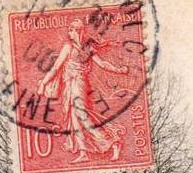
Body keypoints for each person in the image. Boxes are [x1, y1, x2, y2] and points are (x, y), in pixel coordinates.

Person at [35, 19, 130, 163]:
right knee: (74, 119)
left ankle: (112, 142)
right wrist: (44, 82)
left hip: (79, 83)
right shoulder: (68, 47)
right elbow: (56, 67)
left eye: (71, 30)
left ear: (78, 31)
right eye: (69, 30)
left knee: (81, 115)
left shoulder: (87, 49)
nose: (69, 33)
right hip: (69, 85)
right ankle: (83, 152)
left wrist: (119, 70)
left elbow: (102, 64)